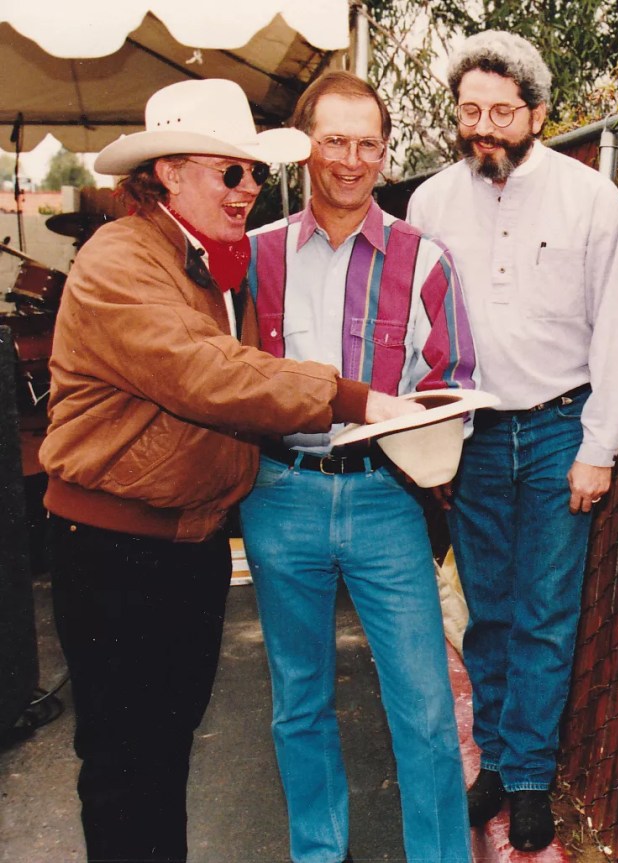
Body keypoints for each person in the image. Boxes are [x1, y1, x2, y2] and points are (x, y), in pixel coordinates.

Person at [39, 78, 421, 863]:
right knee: (124, 765)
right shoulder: (123, 259)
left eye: (252, 174)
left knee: (163, 751)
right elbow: (210, 375)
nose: (249, 190)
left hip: (187, 546)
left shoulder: (203, 262)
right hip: (116, 551)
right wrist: (358, 400)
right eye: (231, 172)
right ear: (169, 173)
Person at [406, 30, 618, 852]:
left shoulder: (587, 198)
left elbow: (616, 324)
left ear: (537, 113)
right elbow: (419, 335)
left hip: (556, 431)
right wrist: (428, 444)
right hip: (469, 434)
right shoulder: (430, 202)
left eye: (502, 111)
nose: (485, 128)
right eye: (472, 111)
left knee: (545, 613)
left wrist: (599, 444)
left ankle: (532, 777)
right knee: (490, 615)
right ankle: (497, 763)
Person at [242, 71, 475, 863]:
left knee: (424, 708)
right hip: (280, 498)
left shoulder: (426, 260)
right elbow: (223, 376)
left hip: (384, 499)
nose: (349, 159)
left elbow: (456, 386)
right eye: (333, 140)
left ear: (385, 152)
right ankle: (319, 852)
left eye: (366, 143)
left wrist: (429, 434)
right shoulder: (253, 259)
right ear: (304, 145)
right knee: (298, 700)